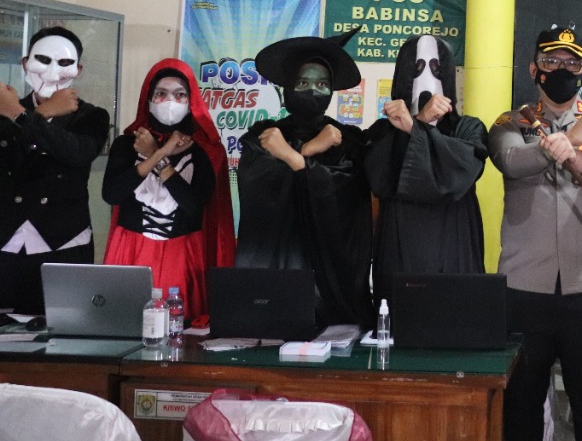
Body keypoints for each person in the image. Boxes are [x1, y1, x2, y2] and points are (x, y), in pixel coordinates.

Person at [489, 26, 582, 441]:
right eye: (552, 61)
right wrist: (564, 143)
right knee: (523, 400)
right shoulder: (510, 122)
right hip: (523, 287)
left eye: (572, 63)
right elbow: (511, 160)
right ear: (535, 69)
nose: (562, 70)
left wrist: (573, 151)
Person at [235, 27, 374, 329]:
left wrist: (292, 156)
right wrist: (307, 151)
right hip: (278, 266)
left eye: (322, 83)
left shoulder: (347, 140)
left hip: (330, 278)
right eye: (302, 82)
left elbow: (344, 197)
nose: (312, 90)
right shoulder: (264, 136)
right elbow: (256, 187)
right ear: (287, 87)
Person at [102, 59, 236, 319]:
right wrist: (159, 152)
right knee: (125, 321)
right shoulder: (127, 144)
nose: (170, 101)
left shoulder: (206, 151)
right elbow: (112, 194)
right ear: (148, 98)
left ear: (191, 101)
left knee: (180, 328)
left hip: (181, 252)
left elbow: (194, 206)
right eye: (161, 93)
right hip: (131, 248)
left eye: (180, 94)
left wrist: (157, 157)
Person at [364, 34, 486, 301]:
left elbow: (460, 173)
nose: (427, 77)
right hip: (400, 250)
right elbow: (379, 177)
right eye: (417, 68)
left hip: (455, 248)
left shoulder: (467, 128)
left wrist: (413, 128)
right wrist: (418, 123)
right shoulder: (382, 132)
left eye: (436, 68)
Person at [0, 27, 110, 314]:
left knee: (65, 325)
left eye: (64, 63)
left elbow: (77, 153)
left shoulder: (92, 116)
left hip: (64, 242)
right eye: (43, 60)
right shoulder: (5, 109)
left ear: (78, 69)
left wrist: (21, 116)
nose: (52, 72)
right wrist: (38, 113)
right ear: (25, 63)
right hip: (7, 241)